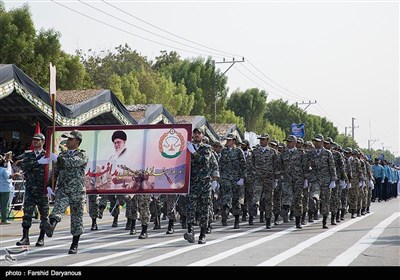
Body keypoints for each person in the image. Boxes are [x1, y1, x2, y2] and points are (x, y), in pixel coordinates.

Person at [42, 130, 89, 254]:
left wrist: (57, 158)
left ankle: (74, 244)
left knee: (77, 218)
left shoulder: (82, 155)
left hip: (77, 191)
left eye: (70, 139)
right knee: (57, 209)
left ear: (77, 142)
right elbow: (55, 172)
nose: (67, 141)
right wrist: (49, 186)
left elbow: (71, 163)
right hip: (62, 189)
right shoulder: (62, 156)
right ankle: (51, 226)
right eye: (67, 139)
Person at [184, 127, 219, 244]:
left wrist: (193, 152)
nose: (197, 135)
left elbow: (205, 162)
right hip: (192, 183)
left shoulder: (207, 148)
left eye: (199, 133)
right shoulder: (187, 147)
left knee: (204, 210)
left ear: (203, 136)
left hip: (204, 184)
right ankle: (190, 232)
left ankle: (202, 235)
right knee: (190, 209)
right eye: (195, 133)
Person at [16, 133, 50, 246]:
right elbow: (25, 166)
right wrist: (39, 162)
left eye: (37, 140)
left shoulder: (47, 155)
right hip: (30, 189)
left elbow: (52, 171)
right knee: (27, 214)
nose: (35, 141)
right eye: (34, 140)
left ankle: (41, 238)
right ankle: (25, 237)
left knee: (44, 215)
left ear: (43, 142)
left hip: (43, 190)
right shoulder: (28, 155)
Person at [0, 155, 19, 224]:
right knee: (4, 205)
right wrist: (16, 174)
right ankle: (4, 220)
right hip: (5, 189)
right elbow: (9, 176)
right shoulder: (4, 170)